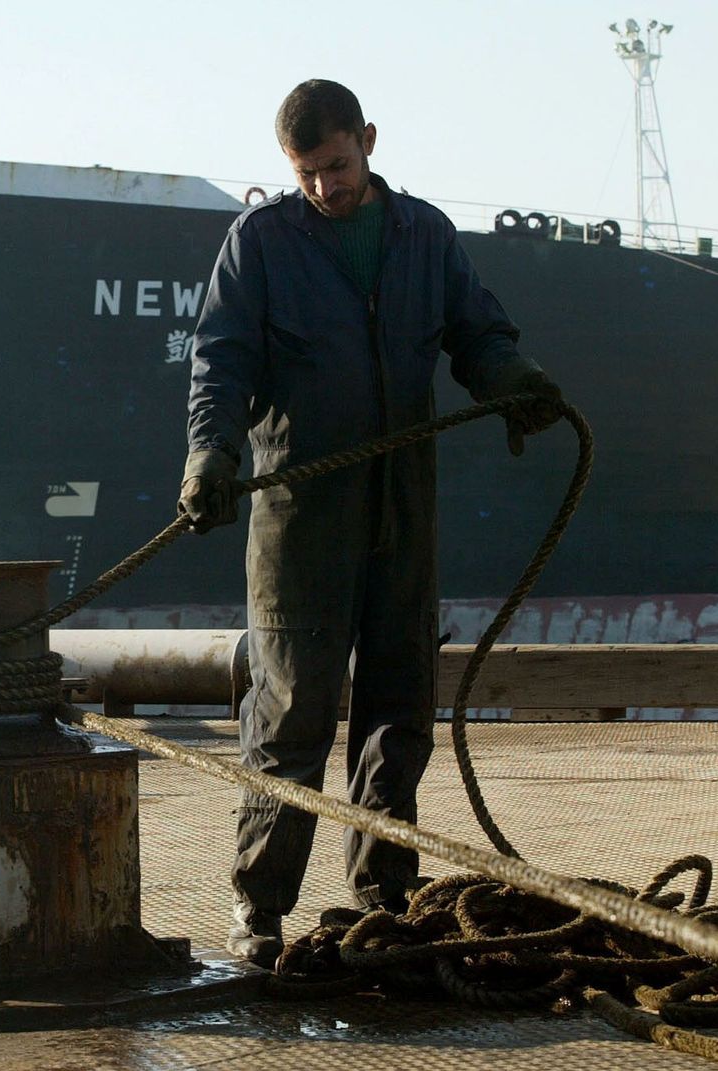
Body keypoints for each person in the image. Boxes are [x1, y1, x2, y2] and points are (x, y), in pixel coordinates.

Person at [177, 79, 563, 969]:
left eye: (337, 166)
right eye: (306, 173)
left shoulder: (424, 234)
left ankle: (389, 898)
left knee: (400, 708)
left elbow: (477, 332)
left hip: (402, 508)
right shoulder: (260, 243)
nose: (324, 187)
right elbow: (221, 362)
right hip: (299, 519)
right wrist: (211, 456)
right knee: (290, 716)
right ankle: (261, 908)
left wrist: (508, 377)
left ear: (370, 141)